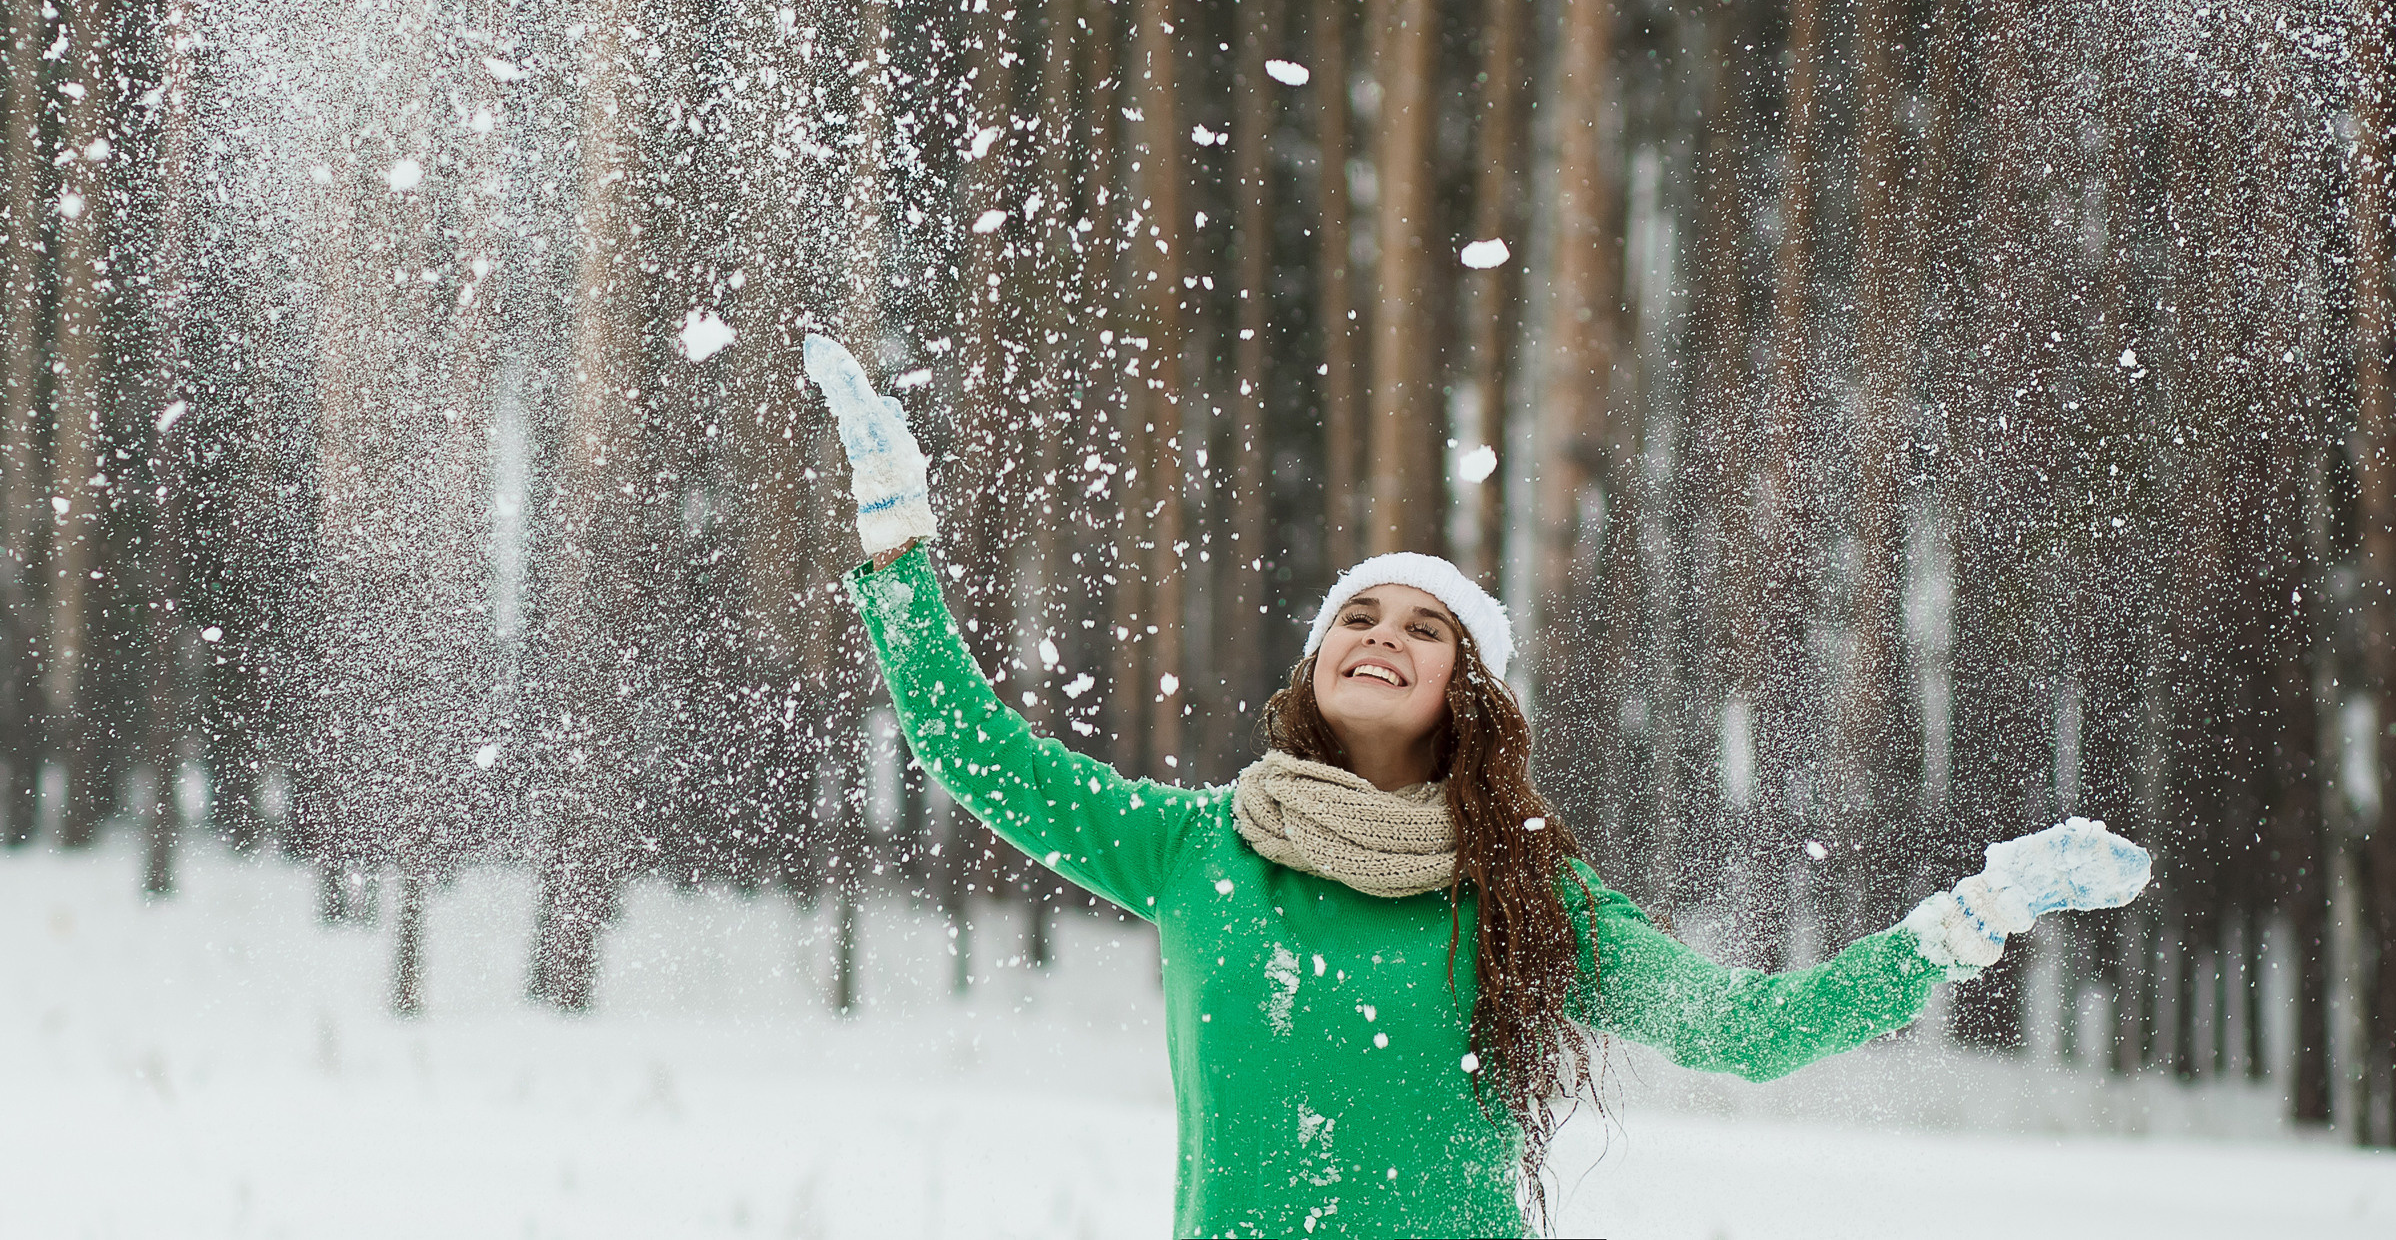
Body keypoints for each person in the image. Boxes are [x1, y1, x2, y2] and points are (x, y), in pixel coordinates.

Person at [804, 334, 2150, 1240]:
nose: (1381, 633)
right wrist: (895, 533)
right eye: (1358, 614)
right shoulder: (1196, 851)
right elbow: (971, 746)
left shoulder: (1525, 894)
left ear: (1470, 693)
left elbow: (1753, 1031)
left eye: (1424, 624)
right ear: (1318, 660)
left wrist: (1977, 914)